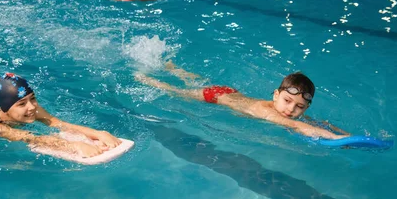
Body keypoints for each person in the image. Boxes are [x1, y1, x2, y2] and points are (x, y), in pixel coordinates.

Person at [136, 62, 349, 140]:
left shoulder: (286, 109)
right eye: (286, 101)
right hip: (215, 97)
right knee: (176, 91)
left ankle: (174, 67)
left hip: (231, 91)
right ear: (275, 95)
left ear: (306, 107)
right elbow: (298, 125)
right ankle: (147, 79)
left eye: (299, 107)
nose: (291, 109)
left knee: (193, 81)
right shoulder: (271, 113)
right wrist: (335, 139)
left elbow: (316, 123)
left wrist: (346, 135)